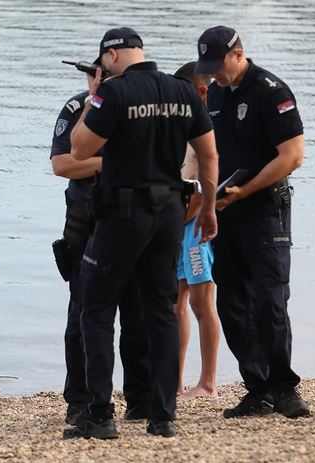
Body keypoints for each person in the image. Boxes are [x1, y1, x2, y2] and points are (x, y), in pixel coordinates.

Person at [68, 27, 218, 439]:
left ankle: (100, 416)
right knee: (162, 310)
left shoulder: (112, 93)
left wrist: (92, 98)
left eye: (102, 61)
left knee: (97, 309)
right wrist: (207, 208)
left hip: (122, 211)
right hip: (170, 211)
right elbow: (208, 153)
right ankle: (163, 415)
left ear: (113, 56)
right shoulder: (182, 91)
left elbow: (80, 148)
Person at [195, 26, 309, 418]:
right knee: (231, 302)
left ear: (238, 53)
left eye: (218, 65)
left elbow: (292, 155)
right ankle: (256, 386)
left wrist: (247, 190)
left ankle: (284, 386)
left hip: (265, 209)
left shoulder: (270, 90)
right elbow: (208, 154)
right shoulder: (216, 94)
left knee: (270, 300)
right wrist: (208, 200)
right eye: (206, 67)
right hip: (228, 208)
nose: (213, 74)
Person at [51, 63, 151, 427]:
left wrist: (93, 163)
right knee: (83, 316)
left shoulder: (142, 110)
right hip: (86, 223)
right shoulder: (78, 109)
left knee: (138, 314)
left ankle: (140, 398)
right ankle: (82, 400)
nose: (101, 83)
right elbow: (62, 164)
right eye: (98, 78)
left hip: (135, 222)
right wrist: (116, 163)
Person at [172, 62, 222, 398]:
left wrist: (193, 215)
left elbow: (207, 184)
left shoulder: (207, 126)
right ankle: (174, 381)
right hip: (174, 220)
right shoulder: (182, 123)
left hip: (194, 224)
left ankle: (208, 382)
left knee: (202, 303)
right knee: (175, 304)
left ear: (199, 90)